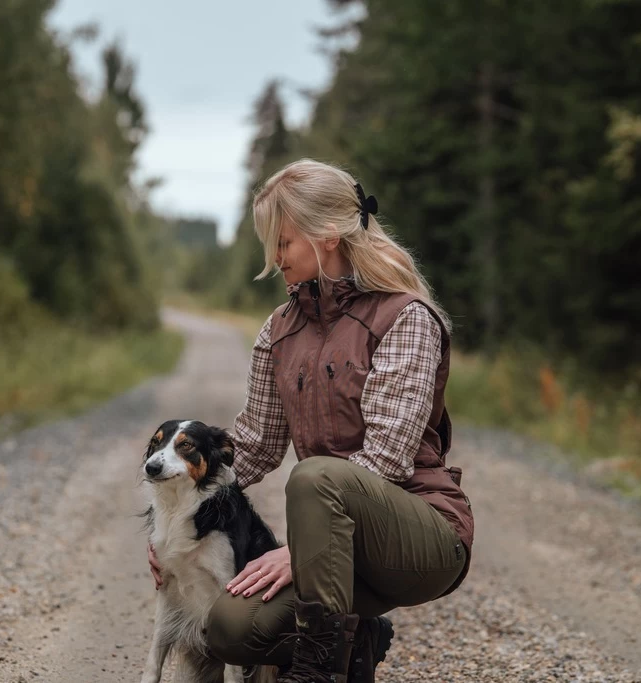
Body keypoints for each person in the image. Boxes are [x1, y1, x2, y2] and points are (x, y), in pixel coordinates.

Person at [147, 158, 474, 683]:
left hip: (419, 536)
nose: (274, 259)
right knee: (229, 627)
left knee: (316, 475)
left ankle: (318, 672)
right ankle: (357, 640)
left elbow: (387, 457)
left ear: (326, 237)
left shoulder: (405, 316)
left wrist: (298, 554)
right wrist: (175, 523)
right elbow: (251, 447)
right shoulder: (279, 330)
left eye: (283, 243)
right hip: (333, 550)